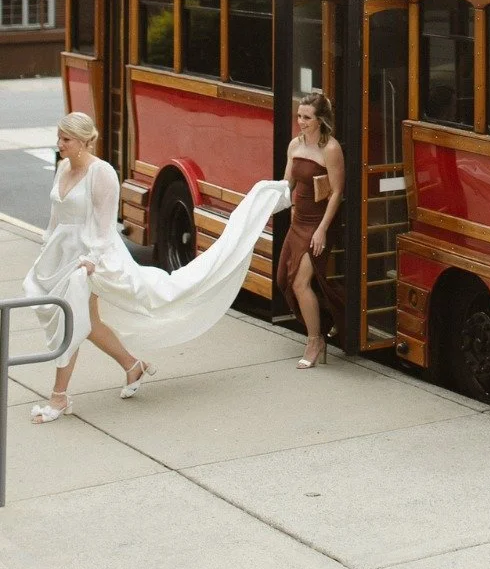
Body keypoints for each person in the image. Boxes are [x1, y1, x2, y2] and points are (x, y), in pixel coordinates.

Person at [23, 111, 290, 423]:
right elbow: (56, 217)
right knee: (88, 322)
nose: (59, 144)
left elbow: (104, 225)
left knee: (73, 320)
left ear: (83, 142)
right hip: (61, 255)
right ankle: (132, 365)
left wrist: (91, 261)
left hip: (91, 259)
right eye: (59, 137)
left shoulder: (102, 173)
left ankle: (59, 397)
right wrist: (46, 248)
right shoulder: (63, 168)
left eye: (65, 139)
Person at [276, 91, 346, 368]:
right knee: (283, 280)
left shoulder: (331, 149)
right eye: (299, 116)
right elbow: (287, 183)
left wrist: (322, 231)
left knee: (300, 282)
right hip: (298, 221)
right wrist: (264, 203)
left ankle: (315, 340)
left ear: (320, 120)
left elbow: (337, 192)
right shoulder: (295, 144)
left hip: (318, 224)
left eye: (306, 117)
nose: (300, 121)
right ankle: (333, 317)